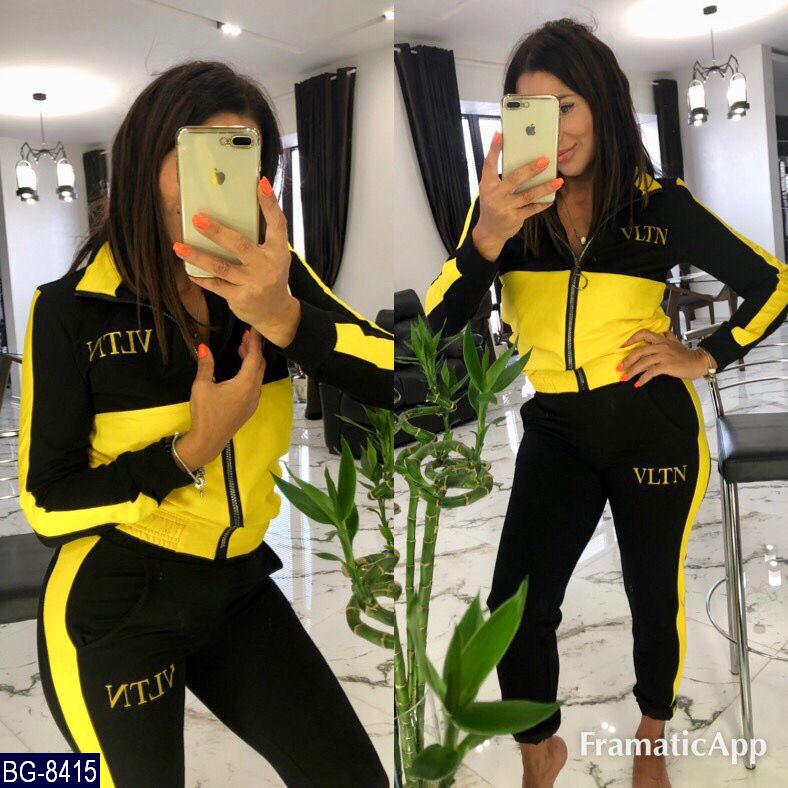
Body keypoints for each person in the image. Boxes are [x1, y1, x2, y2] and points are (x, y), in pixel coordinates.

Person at [424, 18, 787, 788]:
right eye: (532, 112)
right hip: (555, 427)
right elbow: (433, 327)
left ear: (603, 105)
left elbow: (774, 284)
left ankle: (652, 733)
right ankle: (539, 749)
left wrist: (703, 355)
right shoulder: (505, 217)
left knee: (652, 595)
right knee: (514, 606)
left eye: (567, 108)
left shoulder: (660, 206)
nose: (554, 132)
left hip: (650, 425)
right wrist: (486, 238)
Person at [18, 60, 391, 788]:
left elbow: (398, 374)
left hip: (236, 586)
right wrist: (191, 449)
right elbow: (45, 503)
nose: (217, 177)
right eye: (196, 151)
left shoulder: (273, 278)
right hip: (117, 602)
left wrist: (285, 316)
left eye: (241, 156)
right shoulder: (68, 310)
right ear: (145, 157)